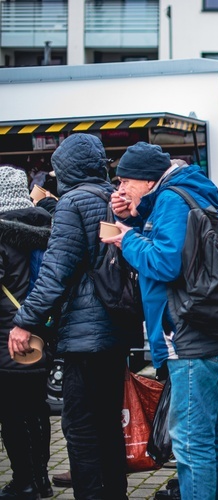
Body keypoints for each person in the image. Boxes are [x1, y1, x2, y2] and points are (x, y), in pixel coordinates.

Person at [103, 142, 218, 500]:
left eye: (125, 181)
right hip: (212, 330)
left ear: (149, 180)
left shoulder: (171, 200)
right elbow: (177, 243)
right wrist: (134, 216)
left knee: (190, 441)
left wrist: (127, 238)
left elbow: (166, 263)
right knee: (212, 435)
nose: (121, 189)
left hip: (188, 335)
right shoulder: (186, 192)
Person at [9, 134, 132, 499]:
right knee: (108, 423)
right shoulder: (112, 199)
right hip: (115, 329)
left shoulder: (73, 202)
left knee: (79, 427)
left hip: (85, 334)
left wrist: (25, 321)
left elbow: (55, 271)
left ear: (67, 169)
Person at [0, 166, 53, 500]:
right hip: (41, 335)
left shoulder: (1, 233)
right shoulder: (45, 225)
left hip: (7, 338)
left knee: (13, 414)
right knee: (37, 408)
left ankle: (25, 482)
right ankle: (41, 478)